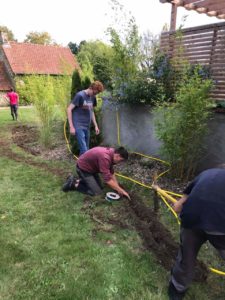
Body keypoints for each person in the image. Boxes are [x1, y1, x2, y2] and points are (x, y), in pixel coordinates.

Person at [154, 167, 225, 300]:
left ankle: (176, 291)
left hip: (191, 219)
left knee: (187, 256)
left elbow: (186, 195)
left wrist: (179, 204)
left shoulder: (207, 173)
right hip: (219, 224)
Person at [62, 146, 130, 199]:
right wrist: (121, 190)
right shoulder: (105, 157)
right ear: (118, 155)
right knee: (97, 192)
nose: (120, 163)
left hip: (91, 169)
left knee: (100, 187)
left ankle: (76, 180)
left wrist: (117, 186)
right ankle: (73, 184)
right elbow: (107, 180)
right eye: (121, 161)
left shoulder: (112, 153)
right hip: (83, 169)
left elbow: (111, 172)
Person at [67, 81, 104, 156]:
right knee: (84, 149)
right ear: (91, 88)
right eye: (94, 93)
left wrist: (96, 125)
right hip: (78, 125)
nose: (95, 95)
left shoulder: (93, 97)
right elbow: (69, 109)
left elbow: (91, 111)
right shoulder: (80, 95)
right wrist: (71, 127)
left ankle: (80, 166)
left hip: (87, 126)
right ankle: (85, 167)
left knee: (85, 149)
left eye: (96, 94)